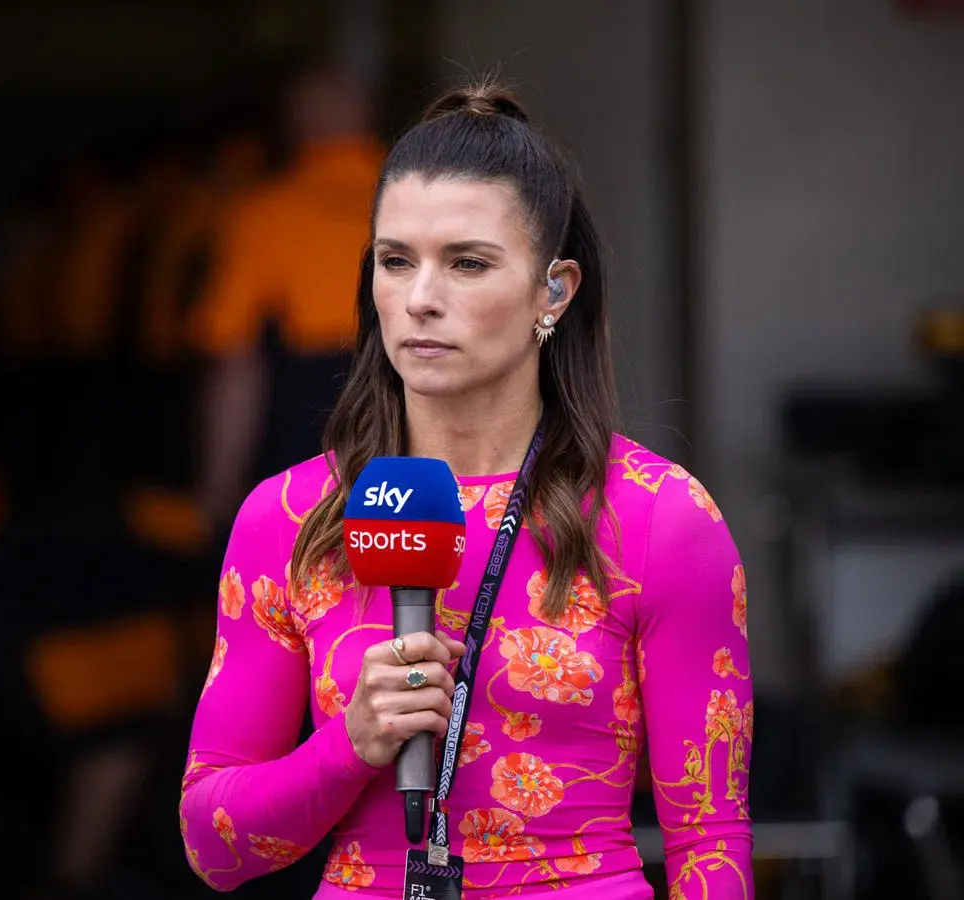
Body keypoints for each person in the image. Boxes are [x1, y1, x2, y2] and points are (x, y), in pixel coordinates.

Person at [180, 81, 754, 899]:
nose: (420, 299)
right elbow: (214, 847)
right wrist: (348, 744)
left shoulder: (658, 516)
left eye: (468, 264)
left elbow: (710, 844)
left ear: (554, 291)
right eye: (395, 261)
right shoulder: (292, 516)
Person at [187, 62, 384, 535]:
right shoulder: (428, 200)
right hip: (416, 416)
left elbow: (237, 366)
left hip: (306, 425)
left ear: (295, 122)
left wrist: (219, 490)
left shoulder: (262, 214)